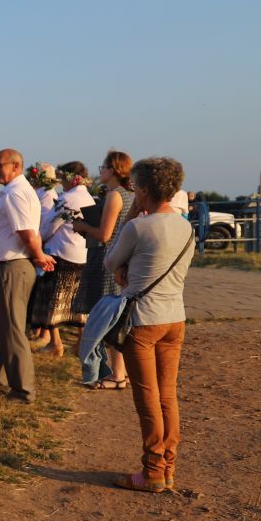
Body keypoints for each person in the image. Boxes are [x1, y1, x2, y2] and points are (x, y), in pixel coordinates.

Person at [106, 157, 196, 494]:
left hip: (143, 321)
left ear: (144, 189)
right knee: (168, 396)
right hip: (175, 318)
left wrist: (131, 217)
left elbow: (110, 260)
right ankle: (168, 466)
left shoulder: (138, 227)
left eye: (136, 189)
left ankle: (153, 471)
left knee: (147, 399)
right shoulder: (186, 226)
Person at [0, 149, 52, 403]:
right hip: (6, 266)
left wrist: (39, 255)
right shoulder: (14, 191)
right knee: (4, 328)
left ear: (14, 166)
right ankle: (4, 380)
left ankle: (23, 389)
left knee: (12, 329)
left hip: (12, 266)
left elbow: (26, 231)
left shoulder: (16, 193)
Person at [73, 150, 136, 388]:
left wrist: (82, 226)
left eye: (103, 168)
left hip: (109, 258)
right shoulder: (129, 194)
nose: (101, 172)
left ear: (112, 170)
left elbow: (105, 234)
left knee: (109, 317)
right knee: (119, 315)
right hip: (122, 258)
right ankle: (123, 371)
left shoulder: (115, 196)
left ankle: (117, 374)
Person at [29, 162, 93, 356]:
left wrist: (38, 242)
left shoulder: (67, 198)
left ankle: (55, 343)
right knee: (78, 301)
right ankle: (82, 341)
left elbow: (50, 226)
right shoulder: (88, 197)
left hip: (62, 252)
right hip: (82, 252)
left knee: (52, 301)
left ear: (69, 178)